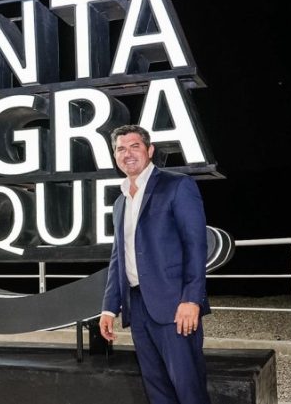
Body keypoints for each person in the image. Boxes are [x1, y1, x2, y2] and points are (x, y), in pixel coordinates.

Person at [99, 125, 211, 404]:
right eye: (121, 149)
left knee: (189, 389)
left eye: (134, 146)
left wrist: (191, 299)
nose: (127, 153)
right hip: (137, 307)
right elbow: (118, 256)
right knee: (157, 390)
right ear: (115, 156)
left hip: (176, 306)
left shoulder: (177, 185)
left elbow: (196, 246)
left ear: (149, 150)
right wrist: (109, 308)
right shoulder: (120, 201)